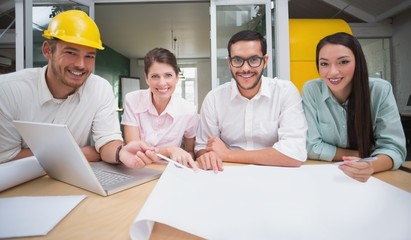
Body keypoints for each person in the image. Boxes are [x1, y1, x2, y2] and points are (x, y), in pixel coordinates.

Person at [0, 10, 154, 168]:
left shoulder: (100, 89)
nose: (81, 64)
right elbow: (7, 158)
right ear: (47, 50)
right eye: (71, 52)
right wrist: (83, 153)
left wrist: (120, 152)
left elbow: (107, 142)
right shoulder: (8, 91)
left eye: (89, 56)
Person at [195, 30, 308, 172]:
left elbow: (294, 153)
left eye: (254, 60)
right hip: (227, 174)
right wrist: (207, 156)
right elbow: (202, 147)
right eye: (237, 60)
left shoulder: (285, 92)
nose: (245, 68)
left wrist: (228, 154)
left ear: (265, 61)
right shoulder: (214, 98)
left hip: (275, 175)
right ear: (230, 63)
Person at [302, 32, 406, 182]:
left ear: (358, 62)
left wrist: (371, 165)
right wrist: (361, 155)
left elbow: (394, 149)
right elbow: (311, 146)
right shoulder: (312, 90)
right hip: (326, 176)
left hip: (373, 178)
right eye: (324, 63)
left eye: (343, 62)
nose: (333, 72)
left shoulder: (380, 90)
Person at [121, 48, 199, 169]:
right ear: (146, 78)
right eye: (155, 76)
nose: (162, 83)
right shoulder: (132, 100)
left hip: (171, 170)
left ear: (177, 77)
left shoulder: (189, 110)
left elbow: (189, 151)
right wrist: (169, 150)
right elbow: (134, 151)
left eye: (168, 75)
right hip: (138, 168)